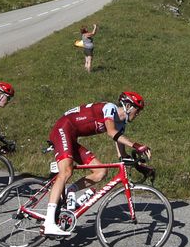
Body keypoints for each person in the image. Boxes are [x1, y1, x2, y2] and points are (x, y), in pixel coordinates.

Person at [42, 92, 149, 236]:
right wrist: (136, 145)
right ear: (129, 106)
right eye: (138, 110)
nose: (138, 114)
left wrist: (140, 166)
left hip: (71, 136)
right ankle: (49, 223)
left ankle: (70, 191)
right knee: (66, 171)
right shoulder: (109, 108)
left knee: (101, 172)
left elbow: (122, 155)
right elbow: (111, 132)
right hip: (63, 128)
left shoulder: (120, 123)